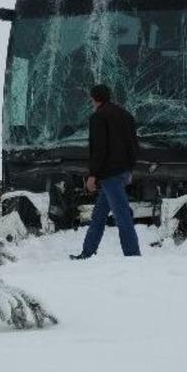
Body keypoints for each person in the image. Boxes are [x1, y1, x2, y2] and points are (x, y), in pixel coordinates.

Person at [70, 84, 141, 259]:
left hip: (110, 174)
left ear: (94, 99)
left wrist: (93, 175)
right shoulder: (126, 115)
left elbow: (99, 149)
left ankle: (133, 255)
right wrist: (130, 169)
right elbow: (134, 145)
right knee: (99, 215)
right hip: (123, 171)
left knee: (122, 214)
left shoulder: (98, 117)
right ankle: (87, 252)